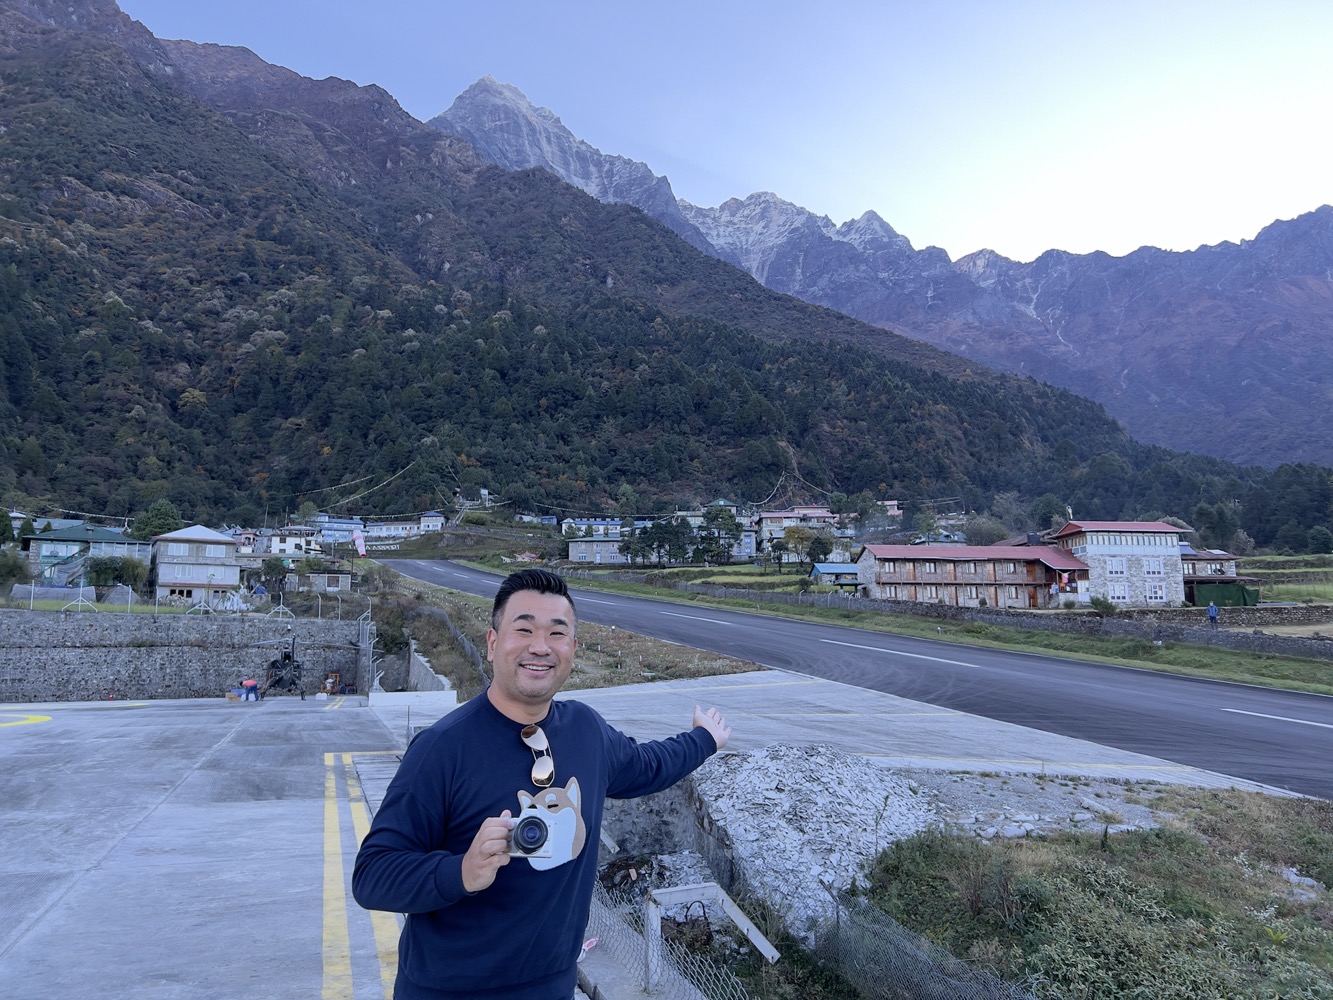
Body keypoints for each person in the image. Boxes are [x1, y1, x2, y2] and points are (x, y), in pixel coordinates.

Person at [353, 568, 731, 1000]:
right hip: (449, 989)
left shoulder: (586, 731)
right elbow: (373, 874)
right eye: (524, 629)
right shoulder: (441, 749)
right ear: (493, 643)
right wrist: (462, 871)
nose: (540, 647)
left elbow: (647, 766)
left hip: (551, 985)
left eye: (557, 633)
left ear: (572, 647)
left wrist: (704, 739)